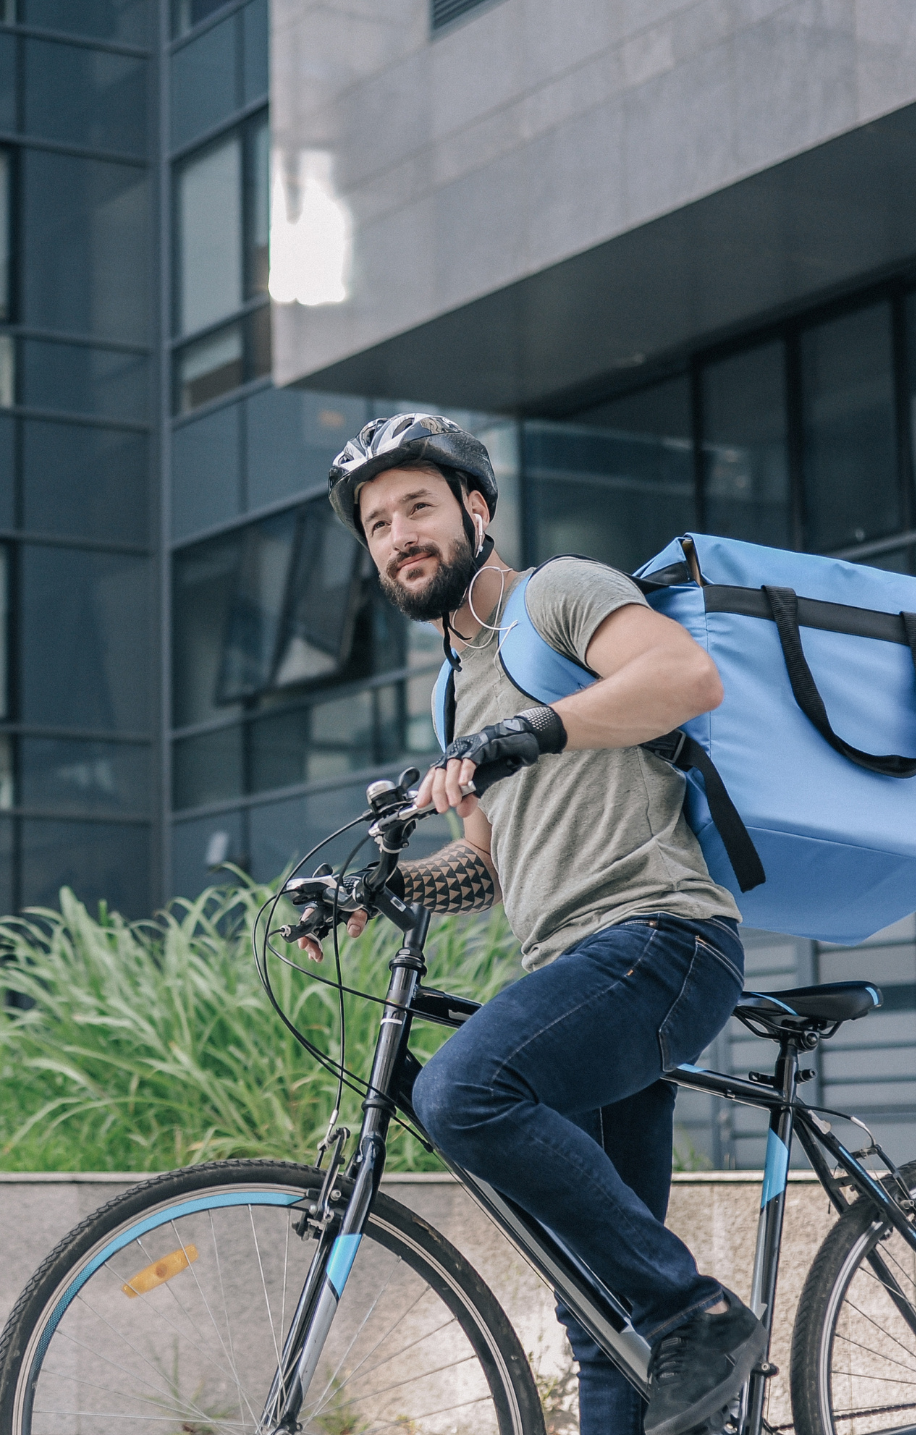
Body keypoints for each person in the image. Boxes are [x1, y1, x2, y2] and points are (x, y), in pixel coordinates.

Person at [307, 413, 765, 1435]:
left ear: (475, 506)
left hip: (661, 937)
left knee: (468, 1088)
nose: (397, 537)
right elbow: (494, 866)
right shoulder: (449, 693)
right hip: (581, 971)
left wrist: (533, 726)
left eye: (417, 507)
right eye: (377, 525)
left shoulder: (556, 594)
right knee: (602, 1315)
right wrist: (391, 892)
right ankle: (671, 1319)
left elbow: (688, 677)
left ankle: (702, 1311)